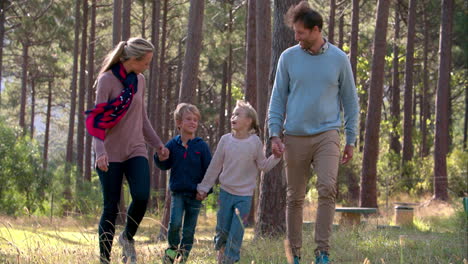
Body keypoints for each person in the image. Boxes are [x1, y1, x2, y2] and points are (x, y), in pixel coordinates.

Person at [267, 2, 359, 264]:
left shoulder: (339, 59)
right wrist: (274, 134)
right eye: (295, 33)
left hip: (328, 133)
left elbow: (351, 103)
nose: (296, 38)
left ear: (316, 30)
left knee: (327, 188)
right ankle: (294, 254)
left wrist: (350, 139)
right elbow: (277, 99)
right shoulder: (288, 57)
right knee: (294, 196)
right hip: (294, 135)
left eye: (301, 33)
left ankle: (322, 253)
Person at [85, 37, 170, 264]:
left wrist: (158, 144)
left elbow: (142, 119)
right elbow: (97, 121)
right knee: (111, 208)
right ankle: (104, 259)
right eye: (146, 62)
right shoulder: (106, 81)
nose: (147, 67)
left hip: (135, 148)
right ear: (133, 59)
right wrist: (100, 151)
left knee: (142, 196)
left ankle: (127, 236)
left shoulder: (139, 81)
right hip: (110, 153)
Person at [197, 100, 283, 264]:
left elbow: (263, 166)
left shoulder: (255, 142)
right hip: (225, 193)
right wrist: (203, 187)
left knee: (237, 231)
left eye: (237, 114)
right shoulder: (225, 140)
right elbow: (214, 167)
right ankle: (221, 254)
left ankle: (229, 260)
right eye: (232, 113)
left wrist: (276, 157)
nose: (232, 117)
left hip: (244, 196)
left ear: (249, 120)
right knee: (222, 230)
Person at [154, 103, 212, 264]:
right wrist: (160, 157)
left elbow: (210, 170)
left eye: (195, 120)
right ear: (179, 123)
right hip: (178, 193)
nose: (193, 122)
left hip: (196, 195)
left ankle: (183, 259)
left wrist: (206, 190)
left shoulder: (201, 146)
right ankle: (171, 254)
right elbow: (164, 164)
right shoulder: (173, 144)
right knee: (175, 224)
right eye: (188, 119)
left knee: (188, 231)